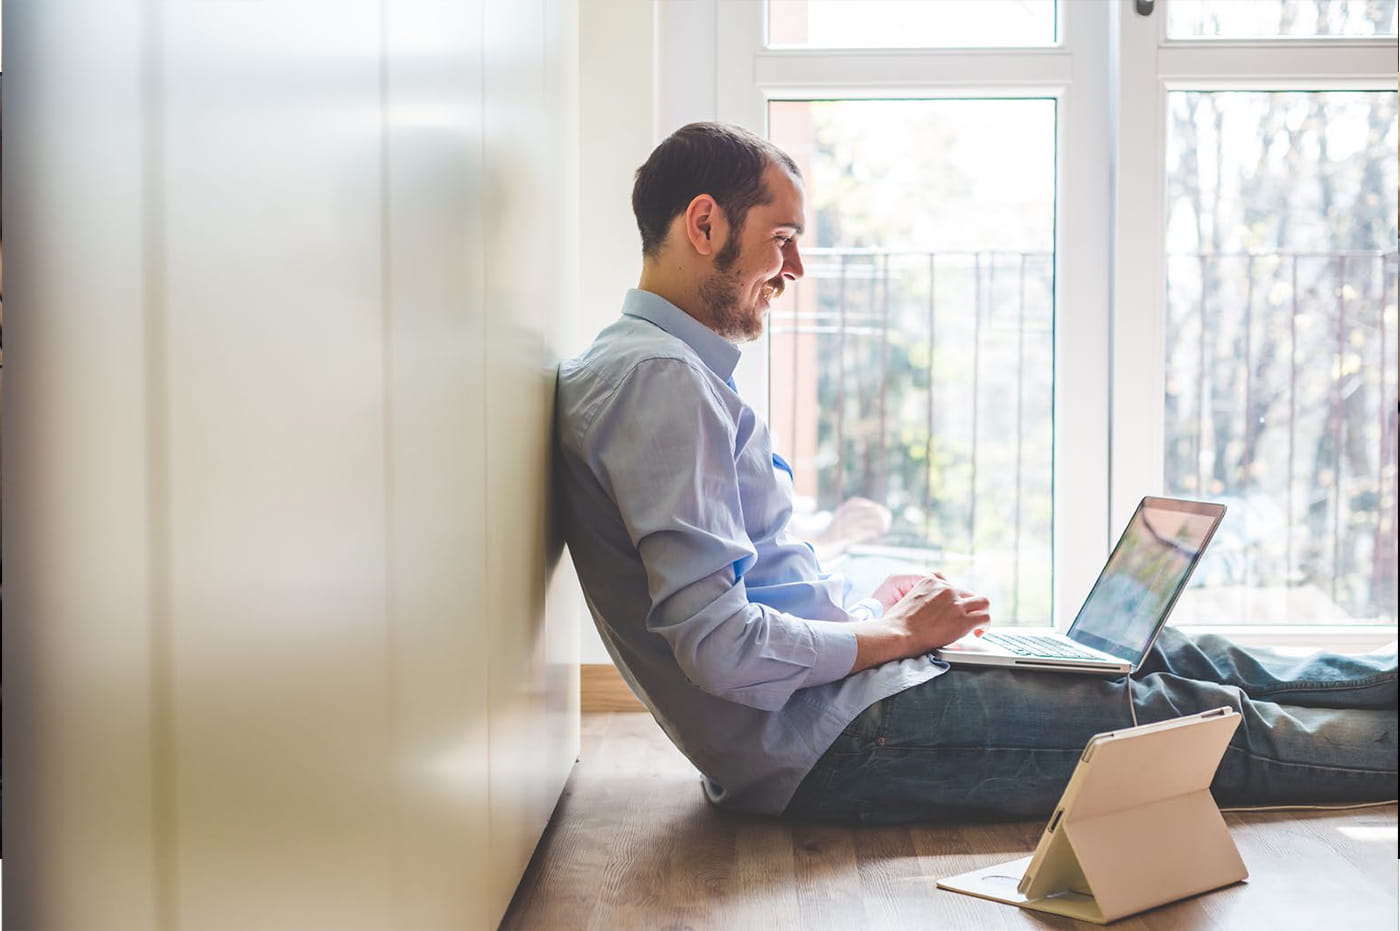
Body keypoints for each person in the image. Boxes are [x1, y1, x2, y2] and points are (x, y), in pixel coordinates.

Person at [554, 121, 1397, 824]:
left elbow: (749, 593)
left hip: (855, 699)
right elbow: (721, 647)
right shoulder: (660, 381)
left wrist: (871, 609)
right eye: (783, 241)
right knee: (1184, 718)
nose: (795, 271)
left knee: (1167, 651)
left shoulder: (653, 369)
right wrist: (900, 636)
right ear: (705, 225)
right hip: (836, 742)